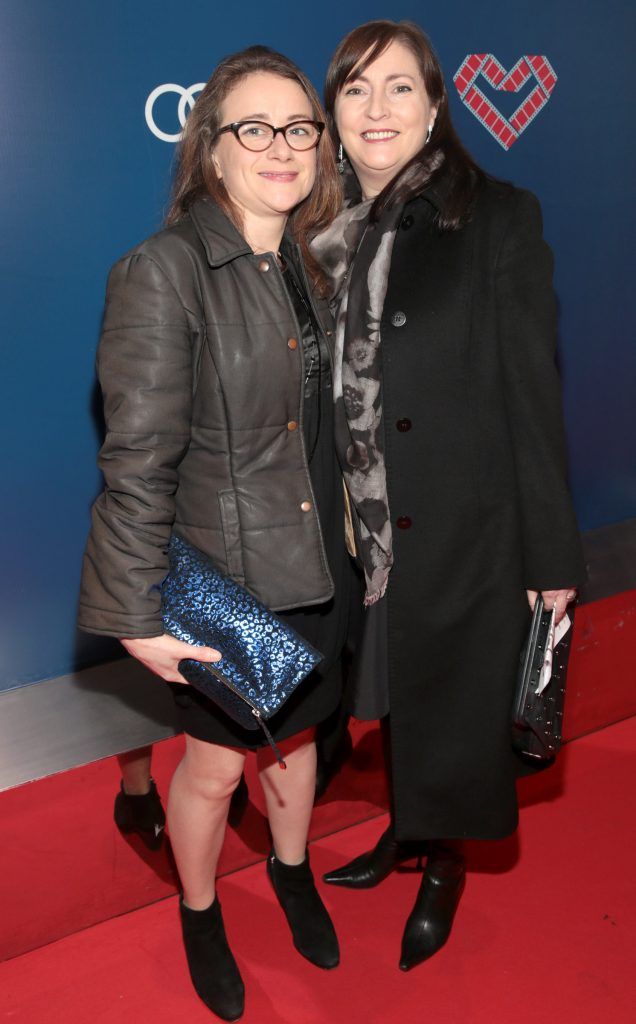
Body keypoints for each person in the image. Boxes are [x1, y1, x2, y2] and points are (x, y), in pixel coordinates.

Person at [78, 45, 348, 1021]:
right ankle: (200, 911)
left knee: (305, 739)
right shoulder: (164, 272)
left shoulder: (313, 267)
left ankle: (289, 869)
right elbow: (136, 460)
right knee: (218, 764)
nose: (282, 146)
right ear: (213, 148)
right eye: (255, 127)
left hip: (317, 565)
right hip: (222, 580)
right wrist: (135, 612)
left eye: (299, 127)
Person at [312, 20, 585, 972]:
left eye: (398, 89)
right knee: (395, 696)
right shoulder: (327, 237)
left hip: (463, 524)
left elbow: (532, 395)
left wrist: (550, 564)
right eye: (355, 91)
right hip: (364, 533)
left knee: (453, 701)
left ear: (435, 106)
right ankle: (406, 829)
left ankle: (443, 863)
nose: (376, 110)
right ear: (334, 115)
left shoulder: (498, 217)